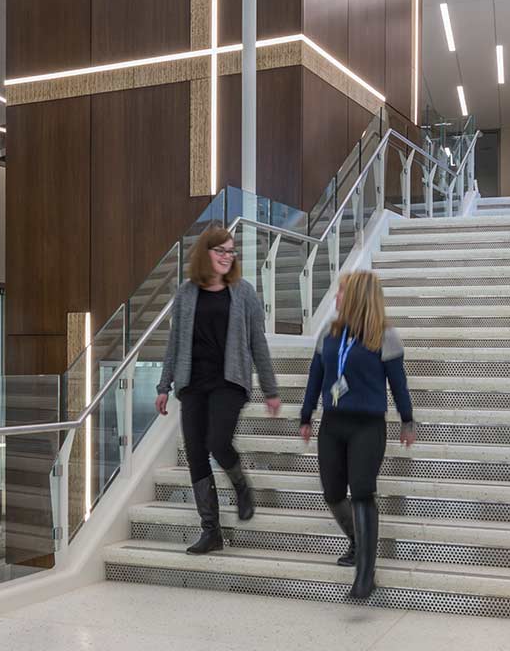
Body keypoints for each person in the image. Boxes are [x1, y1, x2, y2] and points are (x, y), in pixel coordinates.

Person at [152, 224, 282, 555]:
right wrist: (163, 385)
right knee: (196, 453)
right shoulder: (185, 293)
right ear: (205, 253)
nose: (226, 256)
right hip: (192, 383)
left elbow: (258, 344)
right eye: (220, 250)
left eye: (231, 251)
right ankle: (211, 530)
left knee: (217, 442)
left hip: (229, 381)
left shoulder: (244, 292)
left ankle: (241, 486)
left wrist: (270, 388)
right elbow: (175, 342)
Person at [298, 272, 416, 602]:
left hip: (368, 426)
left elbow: (399, 383)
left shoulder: (385, 335)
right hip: (332, 425)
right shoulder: (330, 333)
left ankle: (365, 574)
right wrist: (306, 415)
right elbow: (315, 376)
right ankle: (355, 538)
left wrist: (408, 421)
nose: (336, 297)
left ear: (358, 296)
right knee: (333, 492)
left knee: (362, 491)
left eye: (341, 292)